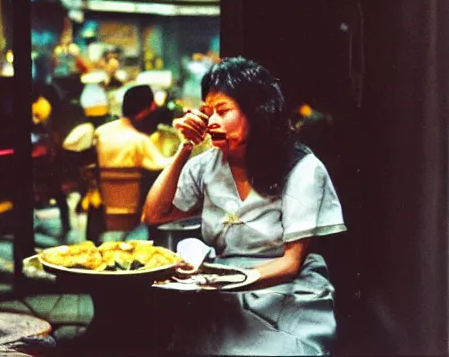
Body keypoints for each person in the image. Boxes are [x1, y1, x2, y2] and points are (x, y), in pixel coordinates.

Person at [142, 56, 347, 356]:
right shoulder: (207, 165)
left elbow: (291, 263)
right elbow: (154, 214)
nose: (212, 121)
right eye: (207, 112)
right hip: (222, 292)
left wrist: (225, 282)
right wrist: (185, 146)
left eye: (223, 111)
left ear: (257, 112)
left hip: (285, 293)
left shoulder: (302, 167)